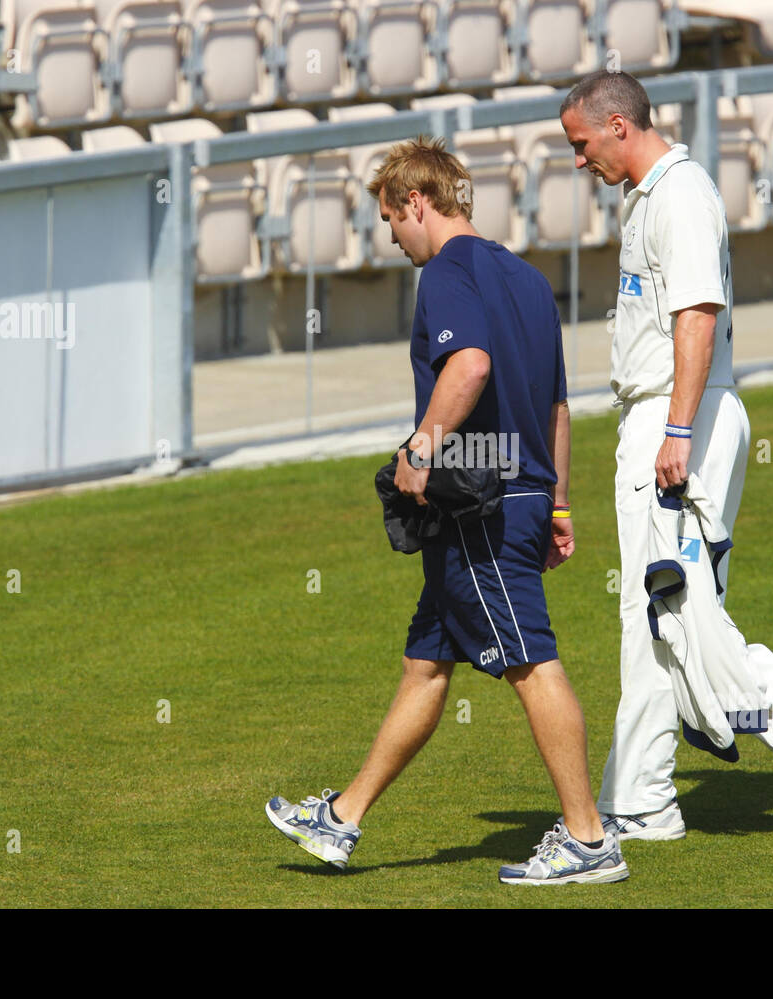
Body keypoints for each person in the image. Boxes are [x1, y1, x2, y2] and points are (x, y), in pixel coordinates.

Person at [266, 136, 627, 886]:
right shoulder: (526, 279)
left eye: (390, 220)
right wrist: (558, 499)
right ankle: (341, 819)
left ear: (415, 203)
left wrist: (422, 450)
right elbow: (558, 401)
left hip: (483, 503)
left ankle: (590, 837)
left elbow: (470, 365)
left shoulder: (447, 273)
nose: (390, 237)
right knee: (425, 665)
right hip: (518, 492)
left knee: (531, 661)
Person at [559, 70, 773, 840]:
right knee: (658, 610)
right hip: (667, 415)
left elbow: (697, 315)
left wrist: (677, 430)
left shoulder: (678, 195)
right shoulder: (654, 195)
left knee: (672, 606)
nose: (578, 161)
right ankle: (643, 795)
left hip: (678, 417)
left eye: (580, 144)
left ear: (619, 126)